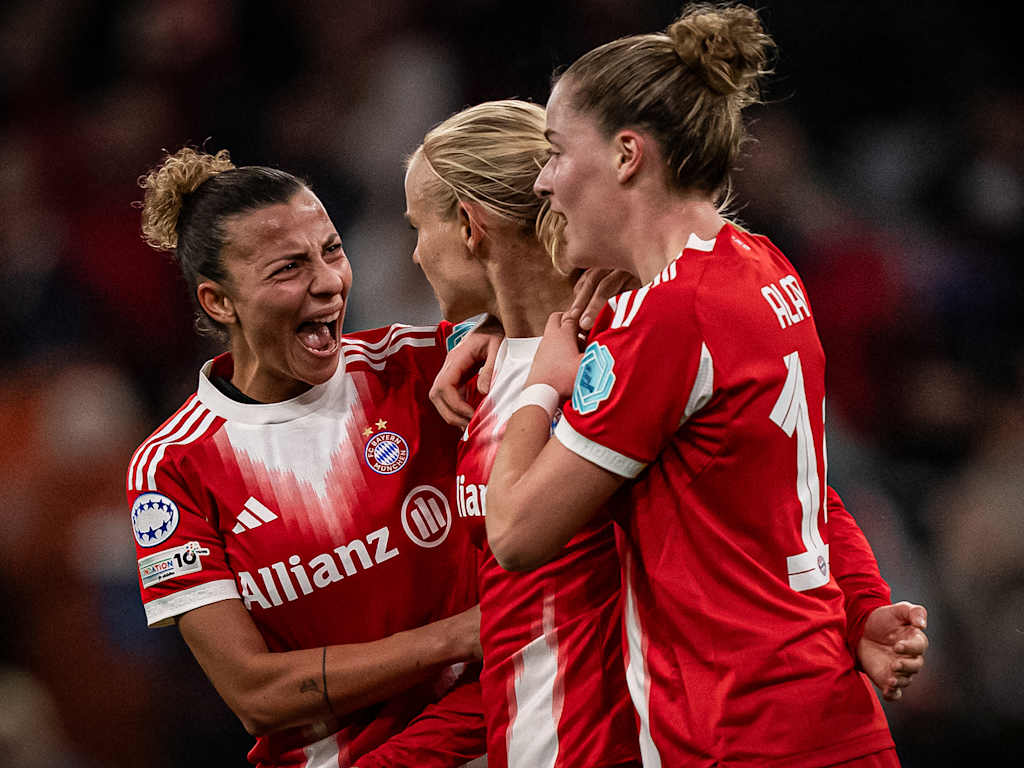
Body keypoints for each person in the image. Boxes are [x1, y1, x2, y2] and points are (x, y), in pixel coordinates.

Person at [482, 4, 927, 766]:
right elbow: (808, 496)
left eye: (556, 150)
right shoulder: (763, 264)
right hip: (819, 719)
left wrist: (540, 383)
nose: (544, 179)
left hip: (739, 736)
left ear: (627, 155)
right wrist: (860, 610)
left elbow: (515, 534)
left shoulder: (670, 317)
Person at [128, 147, 488, 768]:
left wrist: (507, 325)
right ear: (219, 302)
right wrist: (455, 637)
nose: (328, 281)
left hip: (495, 738)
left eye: (332, 250)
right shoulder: (171, 469)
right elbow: (254, 692)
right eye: (289, 267)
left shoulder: (423, 364)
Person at [399, 99, 642, 768]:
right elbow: (511, 629)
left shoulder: (625, 351)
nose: (415, 253)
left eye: (419, 227)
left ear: (471, 226)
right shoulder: (473, 371)